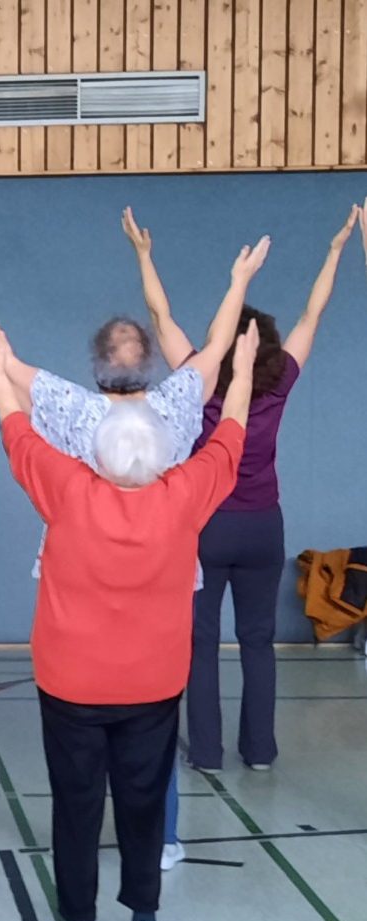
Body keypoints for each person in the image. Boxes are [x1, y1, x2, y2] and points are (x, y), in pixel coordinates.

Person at [0, 259, 257, 921]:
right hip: (152, 683)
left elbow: (6, 394)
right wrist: (241, 366)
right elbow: (231, 428)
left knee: (76, 802)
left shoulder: (66, 485)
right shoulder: (185, 492)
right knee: (145, 800)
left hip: (72, 683)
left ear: (96, 451)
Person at [186, 204, 361, 772]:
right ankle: (260, 752)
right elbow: (316, 310)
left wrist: (145, 259)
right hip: (264, 527)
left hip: (208, 526)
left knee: (201, 646)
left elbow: (162, 317)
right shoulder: (281, 377)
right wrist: (335, 252)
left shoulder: (203, 380)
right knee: (259, 644)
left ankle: (207, 754)